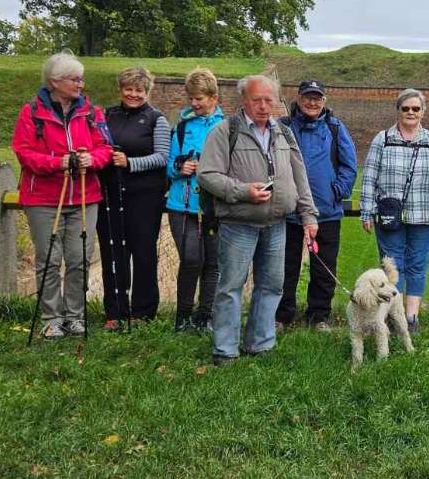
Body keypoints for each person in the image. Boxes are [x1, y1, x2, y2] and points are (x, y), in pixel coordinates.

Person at [198, 74, 318, 366]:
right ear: (243, 101)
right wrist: (242, 192)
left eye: (269, 100)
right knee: (230, 287)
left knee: (272, 285)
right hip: (238, 224)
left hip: (277, 223)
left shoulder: (284, 133)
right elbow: (207, 175)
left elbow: (299, 176)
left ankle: (260, 343)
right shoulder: (225, 131)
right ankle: (225, 350)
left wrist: (308, 215)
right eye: (257, 100)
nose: (264, 106)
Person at [12, 50, 112, 340]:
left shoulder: (91, 112)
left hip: (83, 195)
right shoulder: (31, 112)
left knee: (80, 258)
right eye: (74, 79)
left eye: (81, 79)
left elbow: (106, 147)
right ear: (55, 82)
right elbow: (24, 153)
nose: (80, 85)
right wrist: (58, 162)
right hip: (44, 198)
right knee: (49, 260)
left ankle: (75, 315)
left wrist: (92, 159)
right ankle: (51, 317)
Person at [359, 88, 429, 334]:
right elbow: (370, 176)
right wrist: (366, 211)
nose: (410, 112)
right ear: (398, 111)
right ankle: (390, 315)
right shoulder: (383, 139)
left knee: (417, 265)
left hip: (424, 213)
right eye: (405, 108)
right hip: (390, 215)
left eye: (416, 109)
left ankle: (410, 318)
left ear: (423, 112)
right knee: (391, 266)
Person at [276, 80, 358, 332]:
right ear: (298, 99)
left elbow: (349, 165)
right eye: (307, 97)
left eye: (317, 98)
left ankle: (319, 315)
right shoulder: (284, 127)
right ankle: (282, 315)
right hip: (289, 211)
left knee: (323, 267)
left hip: (325, 211)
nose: (312, 102)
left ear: (324, 101)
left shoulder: (335, 128)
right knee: (284, 267)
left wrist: (337, 191)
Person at [98, 66, 169, 330]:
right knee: (113, 252)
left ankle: (143, 312)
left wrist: (130, 163)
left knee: (143, 253)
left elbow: (162, 157)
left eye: (139, 90)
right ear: (120, 90)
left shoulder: (156, 119)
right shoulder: (107, 115)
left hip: (144, 196)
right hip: (111, 194)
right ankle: (115, 311)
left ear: (147, 91)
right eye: (128, 89)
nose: (133, 94)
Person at [166, 68, 224, 334]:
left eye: (199, 97)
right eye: (191, 98)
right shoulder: (181, 128)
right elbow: (168, 167)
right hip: (183, 204)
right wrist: (180, 168)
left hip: (214, 205)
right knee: (191, 260)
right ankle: (183, 317)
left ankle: (205, 315)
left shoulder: (227, 127)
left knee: (212, 263)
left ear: (214, 97)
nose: (194, 103)